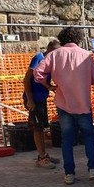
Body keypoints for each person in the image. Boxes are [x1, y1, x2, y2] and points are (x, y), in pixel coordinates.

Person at [33, 27, 94, 185]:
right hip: (83, 103)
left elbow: (38, 73)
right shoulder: (86, 55)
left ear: (62, 39)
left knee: (67, 139)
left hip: (63, 104)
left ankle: (69, 174)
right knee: (89, 137)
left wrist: (48, 85)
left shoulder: (54, 54)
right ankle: (93, 170)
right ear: (77, 39)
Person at [23, 39, 60, 168]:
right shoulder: (39, 58)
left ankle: (43, 154)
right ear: (49, 50)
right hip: (34, 99)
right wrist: (30, 99)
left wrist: (50, 87)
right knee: (37, 128)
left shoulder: (51, 62)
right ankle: (42, 157)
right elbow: (27, 79)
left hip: (41, 98)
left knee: (42, 127)